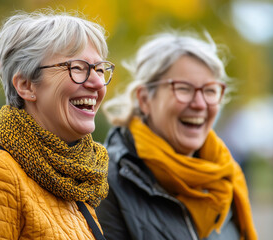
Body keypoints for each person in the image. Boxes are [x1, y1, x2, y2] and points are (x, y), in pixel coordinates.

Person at [96, 31, 258, 240]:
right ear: (145, 99)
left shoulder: (226, 175)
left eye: (210, 91)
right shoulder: (106, 183)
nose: (200, 104)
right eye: (184, 89)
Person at [0, 10, 114, 240]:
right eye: (77, 67)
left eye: (99, 69)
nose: (97, 82)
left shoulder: (71, 178)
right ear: (26, 85)